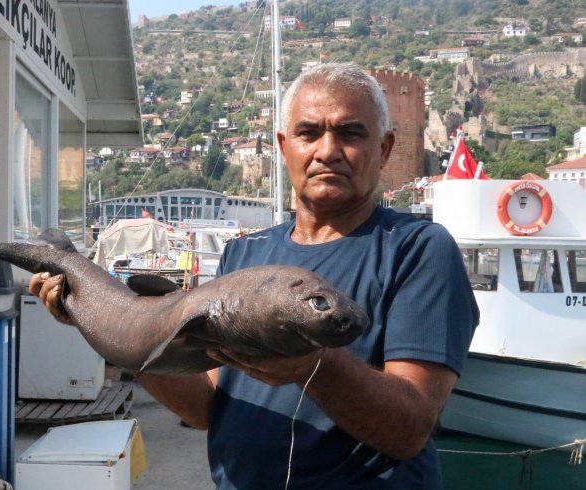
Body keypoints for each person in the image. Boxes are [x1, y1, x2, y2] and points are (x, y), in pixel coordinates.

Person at [29, 63, 479, 489]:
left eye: (350, 132)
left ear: (383, 149)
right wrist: (100, 327)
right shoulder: (246, 253)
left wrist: (311, 367)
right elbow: (206, 405)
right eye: (308, 133)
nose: (327, 150)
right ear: (284, 147)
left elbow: (409, 428)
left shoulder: (418, 249)